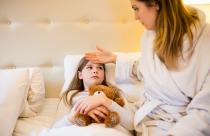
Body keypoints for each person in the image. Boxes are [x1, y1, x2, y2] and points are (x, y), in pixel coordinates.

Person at [82, 0, 210, 135]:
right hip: (145, 115)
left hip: (182, 125)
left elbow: (205, 110)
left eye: (136, 8)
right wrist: (115, 59)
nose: (135, 17)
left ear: (156, 4)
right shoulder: (150, 36)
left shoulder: (205, 42)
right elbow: (147, 70)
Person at [52, 57, 135, 134]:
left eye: (100, 68)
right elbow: (53, 130)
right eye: (89, 67)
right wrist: (73, 116)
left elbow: (132, 124)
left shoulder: (114, 94)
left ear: (103, 76)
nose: (95, 71)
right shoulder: (70, 96)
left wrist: (104, 100)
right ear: (80, 75)